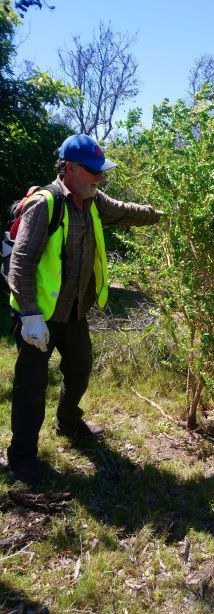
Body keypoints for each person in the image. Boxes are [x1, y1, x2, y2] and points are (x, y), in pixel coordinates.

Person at [7, 133, 162, 485]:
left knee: (79, 369)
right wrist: (29, 313)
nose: (100, 177)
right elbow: (22, 262)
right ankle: (22, 457)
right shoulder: (45, 204)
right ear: (71, 168)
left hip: (75, 312)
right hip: (40, 316)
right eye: (94, 171)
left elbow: (126, 212)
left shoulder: (93, 199)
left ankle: (68, 422)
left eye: (101, 171)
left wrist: (162, 214)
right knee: (31, 387)